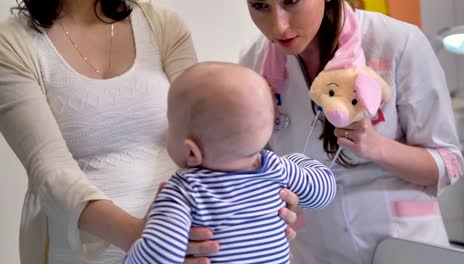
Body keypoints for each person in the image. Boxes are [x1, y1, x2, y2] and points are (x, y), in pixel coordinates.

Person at [0, 1, 300, 263]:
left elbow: (214, 129)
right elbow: (50, 170)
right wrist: (145, 237)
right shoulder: (12, 43)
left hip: (193, 243)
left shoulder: (162, 25)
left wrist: (261, 196)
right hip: (87, 251)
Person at [239, 0, 464, 263]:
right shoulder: (255, 64)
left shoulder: (395, 41)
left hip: (405, 246)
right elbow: (252, 169)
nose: (279, 26)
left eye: (292, 1)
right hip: (314, 251)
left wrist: (375, 146)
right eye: (259, 6)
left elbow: (449, 163)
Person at [124, 62, 337, 263]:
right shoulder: (275, 168)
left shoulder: (184, 190)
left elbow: (159, 254)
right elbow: (324, 191)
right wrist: (295, 163)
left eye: (170, 126)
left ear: (192, 152)